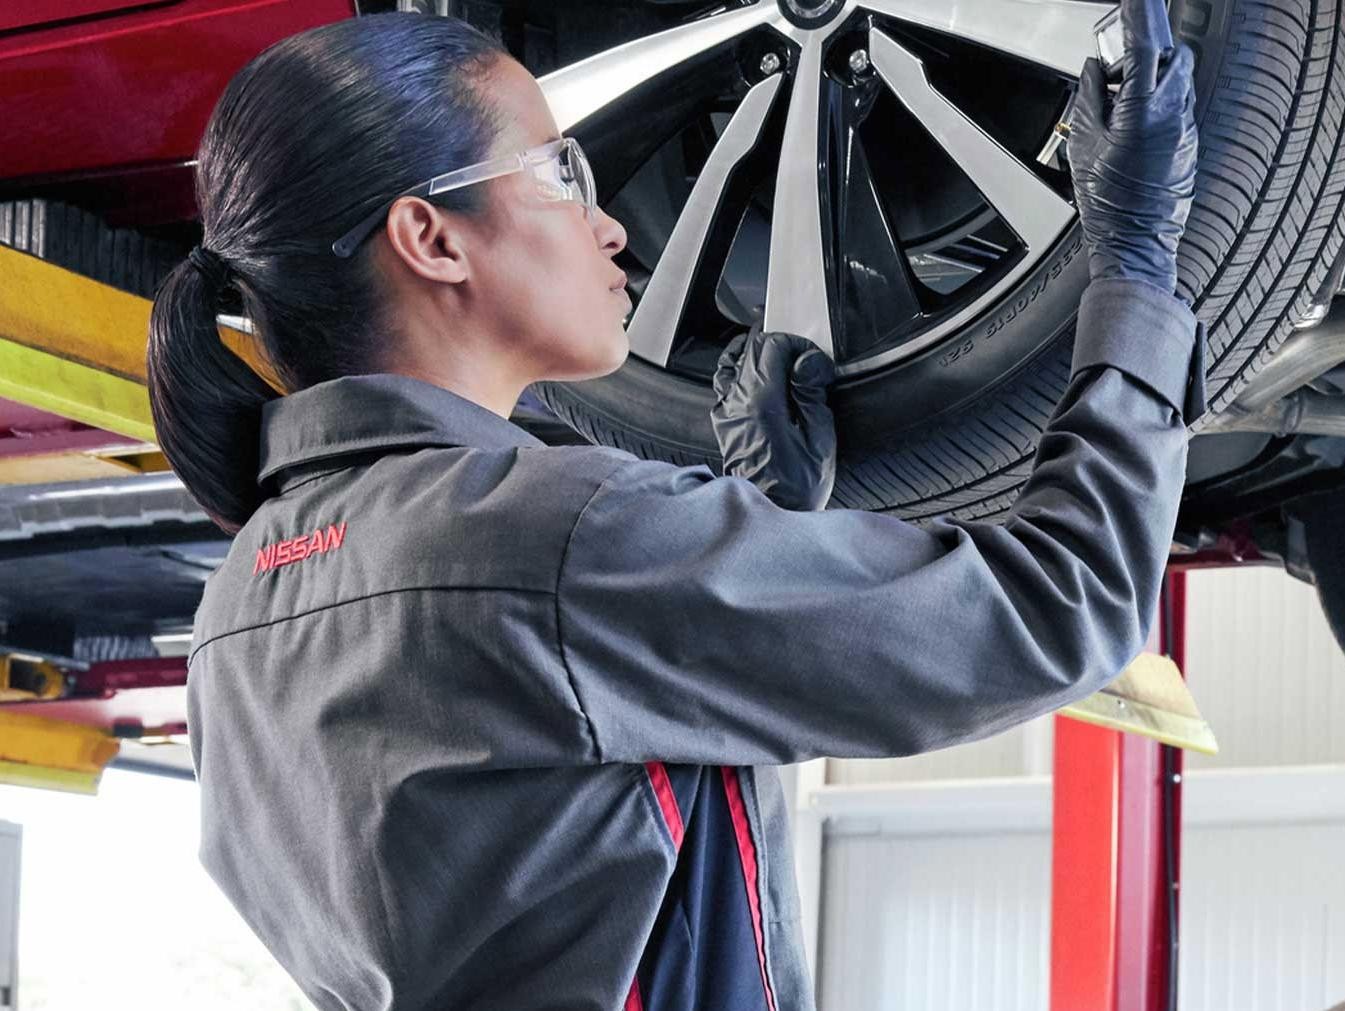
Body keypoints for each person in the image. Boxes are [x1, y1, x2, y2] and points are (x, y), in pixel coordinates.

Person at [147, 2, 1202, 1008]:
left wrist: (751, 525)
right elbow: (1064, 609)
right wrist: (1138, 265)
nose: (607, 225)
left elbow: (563, 836)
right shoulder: (548, 537)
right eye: (557, 170)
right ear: (431, 239)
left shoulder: (238, 606)